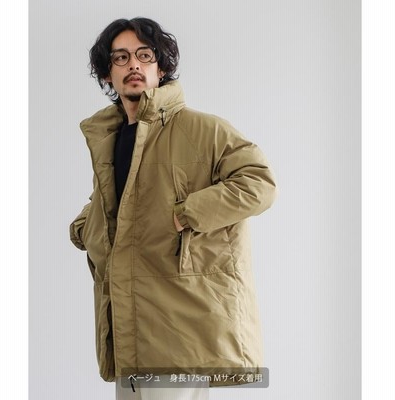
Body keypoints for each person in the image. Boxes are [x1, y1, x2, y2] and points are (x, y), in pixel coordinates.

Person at [70, 17, 276, 400]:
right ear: (108, 74)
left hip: (182, 324)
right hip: (130, 323)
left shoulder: (202, 130)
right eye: (120, 57)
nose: (133, 64)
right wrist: (86, 226)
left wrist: (189, 212)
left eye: (144, 55)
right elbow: (114, 204)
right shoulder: (111, 138)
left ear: (161, 68)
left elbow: (259, 183)